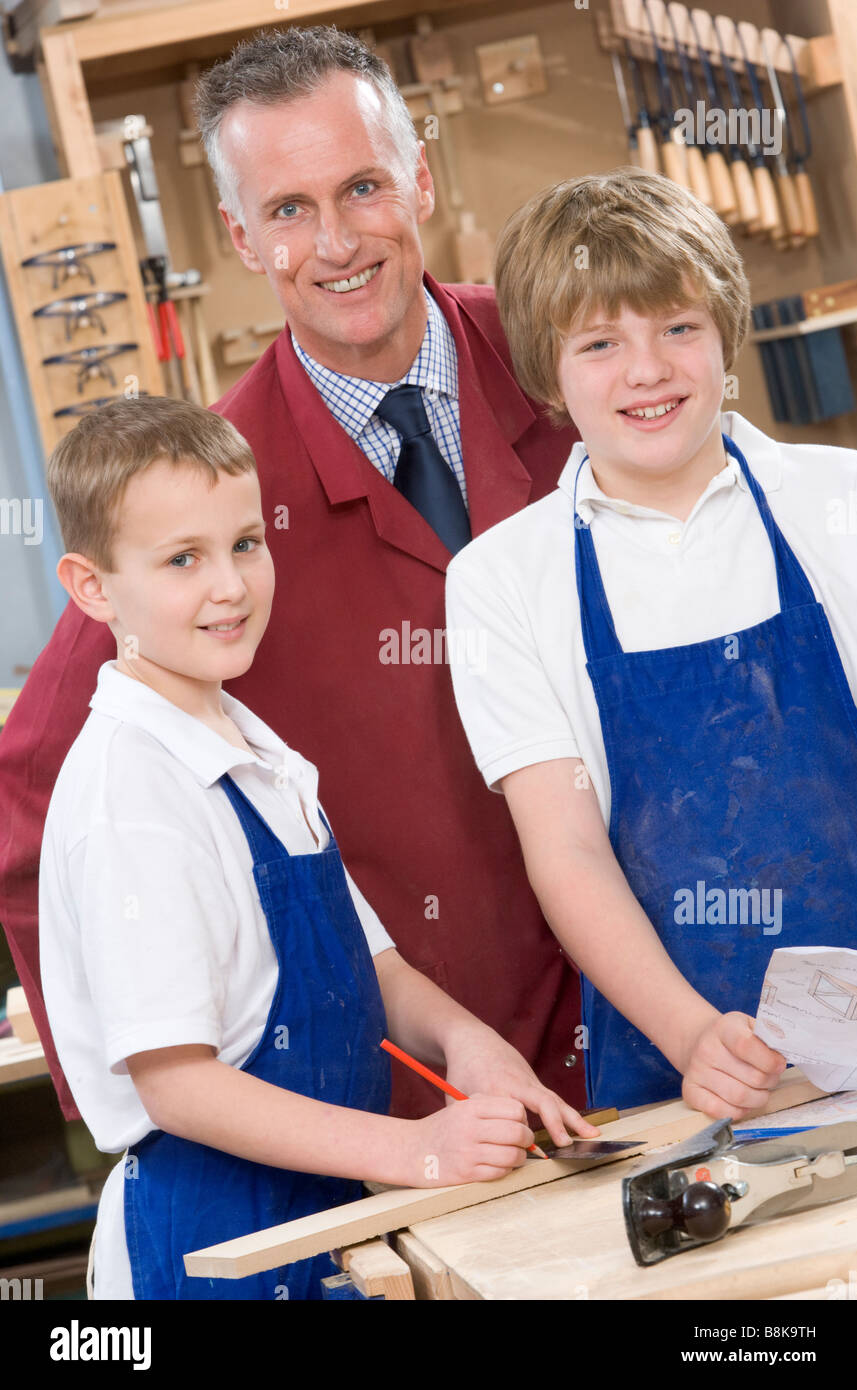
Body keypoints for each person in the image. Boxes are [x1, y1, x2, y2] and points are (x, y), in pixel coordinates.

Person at [0, 25, 584, 1129]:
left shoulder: (569, 360)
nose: (335, 242)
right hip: (427, 1103)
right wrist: (156, 1100)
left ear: (417, 173)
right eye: (286, 210)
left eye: (361, 186)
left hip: (676, 1021)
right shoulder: (203, 500)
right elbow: (27, 791)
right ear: (238, 235)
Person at [39, 395, 597, 1300]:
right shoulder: (130, 792)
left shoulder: (258, 754)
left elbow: (371, 964)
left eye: (246, 543)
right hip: (210, 1250)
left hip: (324, 1220)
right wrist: (417, 1148)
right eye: (183, 559)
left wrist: (469, 1043)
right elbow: (178, 1087)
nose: (230, 585)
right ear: (93, 586)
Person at [445, 170, 857, 1118]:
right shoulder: (502, 579)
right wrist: (691, 1035)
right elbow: (567, 852)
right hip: (679, 1079)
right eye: (600, 343)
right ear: (547, 374)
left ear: (726, 335)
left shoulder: (845, 502)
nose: (648, 370)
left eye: (678, 327)